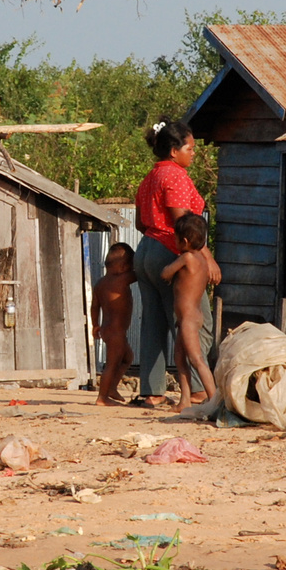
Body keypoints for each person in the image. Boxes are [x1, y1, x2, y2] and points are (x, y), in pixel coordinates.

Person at [134, 116, 221, 408]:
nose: (194, 153)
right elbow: (182, 221)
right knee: (197, 320)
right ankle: (199, 389)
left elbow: (138, 222)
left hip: (145, 249)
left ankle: (152, 391)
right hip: (171, 250)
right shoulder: (175, 176)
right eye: (190, 148)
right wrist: (206, 258)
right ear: (174, 151)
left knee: (153, 323)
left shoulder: (150, 177)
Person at [161, 213, 216, 412]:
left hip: (188, 320)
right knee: (179, 358)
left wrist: (169, 270)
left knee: (196, 359)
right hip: (190, 317)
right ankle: (184, 400)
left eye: (175, 238)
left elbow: (165, 273)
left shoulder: (186, 258)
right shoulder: (202, 258)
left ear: (184, 241)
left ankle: (214, 401)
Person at [91, 242, 136, 406]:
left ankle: (111, 389)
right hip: (117, 332)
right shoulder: (123, 279)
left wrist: (95, 325)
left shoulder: (100, 284)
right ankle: (102, 397)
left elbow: (94, 307)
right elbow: (140, 273)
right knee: (111, 364)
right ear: (124, 267)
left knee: (127, 357)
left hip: (108, 329)